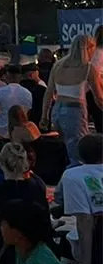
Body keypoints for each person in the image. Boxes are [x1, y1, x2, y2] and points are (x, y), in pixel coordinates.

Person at [42, 34, 102, 166]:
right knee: (81, 151)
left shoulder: (58, 65)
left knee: (69, 147)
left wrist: (44, 117)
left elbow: (49, 92)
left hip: (57, 110)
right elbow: (99, 98)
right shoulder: (88, 68)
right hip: (74, 111)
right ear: (88, 49)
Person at [56, 132, 102, 264]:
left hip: (97, 244)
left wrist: (85, 262)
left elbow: (84, 219)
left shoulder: (73, 175)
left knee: (61, 239)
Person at [0, 65, 34, 139]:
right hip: (21, 126)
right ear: (20, 77)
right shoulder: (28, 93)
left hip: (1, 128)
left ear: (7, 76)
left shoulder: (0, 91)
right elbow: (28, 113)